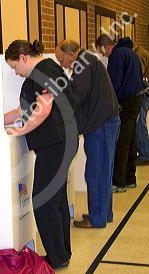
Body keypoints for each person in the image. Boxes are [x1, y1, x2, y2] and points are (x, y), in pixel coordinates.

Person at [4, 40, 78, 268]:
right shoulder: (41, 73)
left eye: (15, 67)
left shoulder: (44, 71)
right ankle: (62, 254)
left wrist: (20, 129)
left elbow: (43, 109)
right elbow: (23, 110)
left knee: (44, 202)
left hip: (56, 145)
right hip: (60, 143)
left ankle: (56, 257)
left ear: (24, 58)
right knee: (56, 201)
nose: (16, 73)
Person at [55, 40, 120, 229]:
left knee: (96, 172)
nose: (61, 64)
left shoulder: (83, 63)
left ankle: (96, 218)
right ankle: (103, 213)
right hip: (106, 122)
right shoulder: (88, 60)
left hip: (100, 125)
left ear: (72, 54)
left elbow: (76, 97)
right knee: (104, 171)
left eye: (62, 60)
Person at [96, 35, 143, 193]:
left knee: (121, 142)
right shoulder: (131, 53)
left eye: (102, 53)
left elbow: (113, 83)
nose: (104, 56)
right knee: (130, 140)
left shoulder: (117, 55)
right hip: (136, 100)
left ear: (106, 47)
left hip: (124, 102)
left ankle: (119, 181)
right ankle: (130, 178)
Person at [133, 44, 149, 166]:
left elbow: (137, 75)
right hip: (148, 91)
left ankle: (144, 155)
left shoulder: (138, 54)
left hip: (144, 92)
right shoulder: (141, 51)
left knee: (140, 124)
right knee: (140, 123)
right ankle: (143, 153)